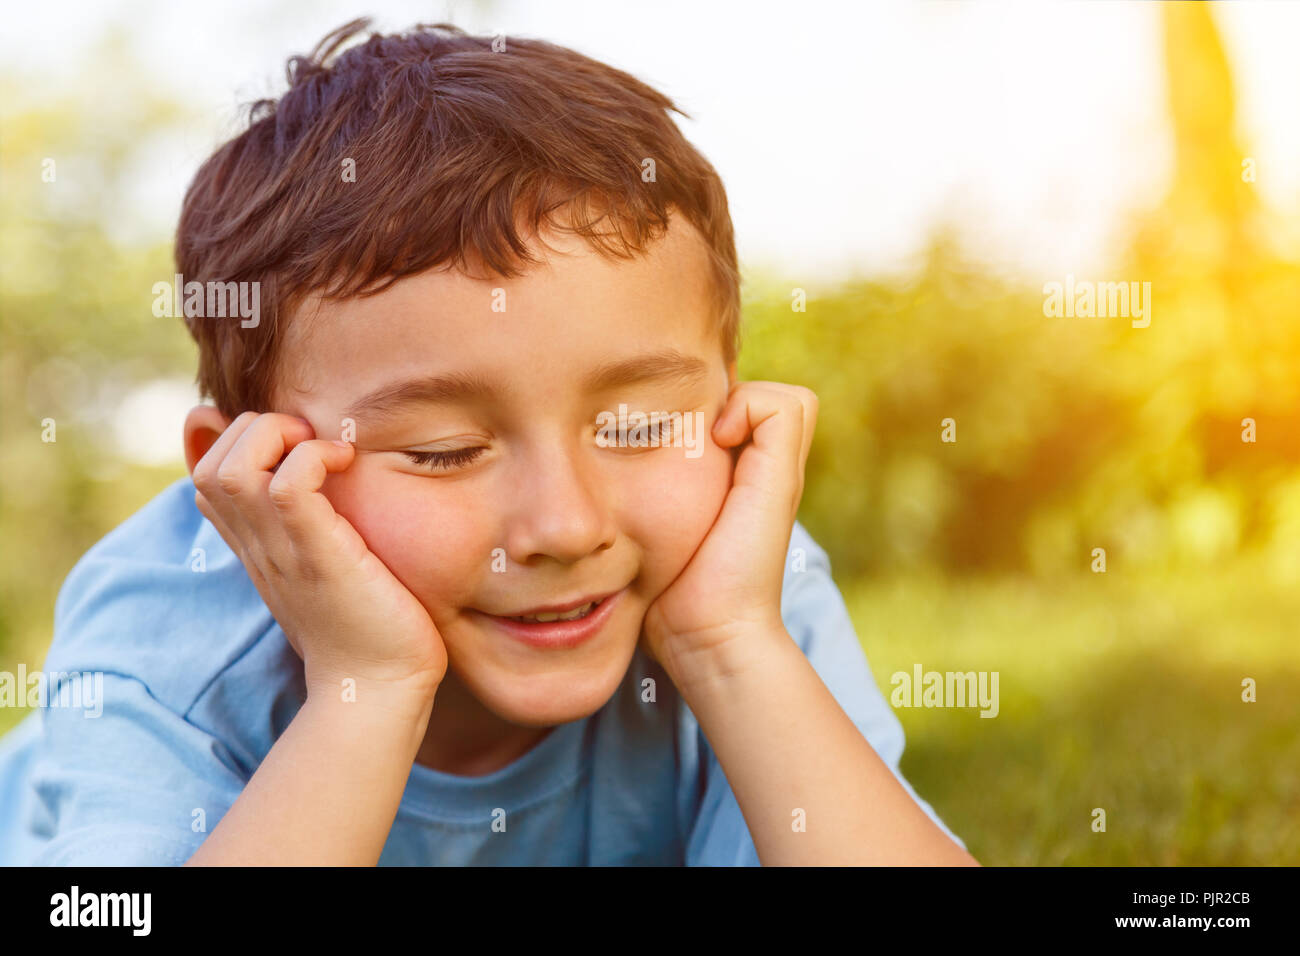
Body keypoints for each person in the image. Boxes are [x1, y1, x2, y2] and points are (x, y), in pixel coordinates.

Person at [0, 19, 975, 866]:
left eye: (637, 427)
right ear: (237, 476)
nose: (562, 523)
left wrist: (730, 649)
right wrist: (365, 688)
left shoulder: (731, 588)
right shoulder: (165, 648)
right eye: (440, 449)